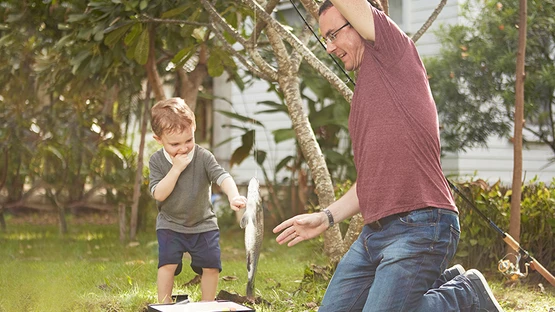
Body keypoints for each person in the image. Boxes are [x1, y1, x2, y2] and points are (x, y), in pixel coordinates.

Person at [273, 1, 504, 311]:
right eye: (324, 39)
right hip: (373, 236)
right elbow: (370, 182)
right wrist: (325, 218)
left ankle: (464, 295)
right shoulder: (363, 100)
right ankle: (442, 285)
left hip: (421, 225)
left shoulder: (394, 51)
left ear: (360, 23)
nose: (328, 48)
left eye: (332, 35)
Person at [148, 97, 247, 303]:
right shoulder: (157, 161)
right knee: (167, 265)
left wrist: (233, 195)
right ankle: (164, 305)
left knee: (211, 265)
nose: (184, 148)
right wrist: (176, 169)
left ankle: (207, 304)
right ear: (158, 139)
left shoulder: (203, 157)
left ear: (193, 128)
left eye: (188, 140)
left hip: (203, 223)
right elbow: (159, 194)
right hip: (170, 223)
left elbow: (223, 176)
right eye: (175, 144)